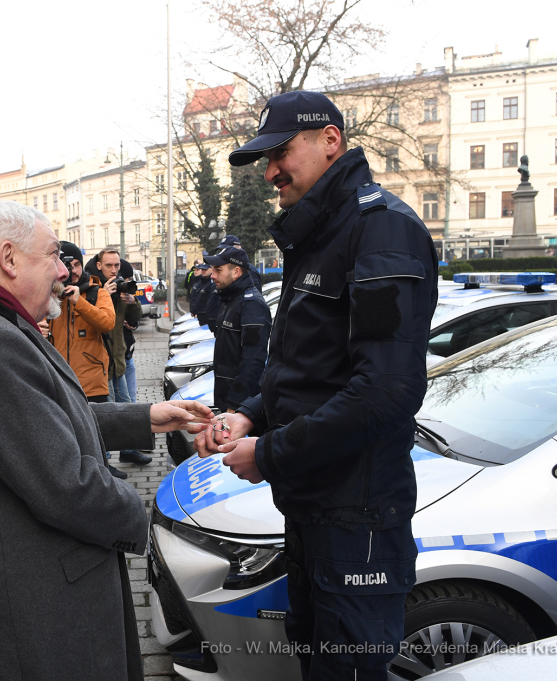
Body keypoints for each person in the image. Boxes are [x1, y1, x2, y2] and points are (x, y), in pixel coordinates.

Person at [0, 199, 212, 681]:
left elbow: (46, 418)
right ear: (9, 259)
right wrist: (157, 521)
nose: (64, 270)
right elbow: (67, 483)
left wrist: (148, 416)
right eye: (52, 255)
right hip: (41, 619)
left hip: (39, 606)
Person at [196, 90, 439, 681]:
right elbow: (305, 370)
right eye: (266, 158)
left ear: (331, 140)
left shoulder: (379, 229)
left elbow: (385, 393)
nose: (271, 170)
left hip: (356, 519)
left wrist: (271, 453)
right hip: (318, 507)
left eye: (282, 151)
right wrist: (250, 415)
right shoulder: (323, 232)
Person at [98, 250, 151, 466]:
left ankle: (128, 450)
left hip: (118, 359)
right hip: (100, 364)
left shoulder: (120, 288)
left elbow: (135, 319)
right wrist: (102, 294)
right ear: (99, 266)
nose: (114, 270)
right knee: (107, 413)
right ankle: (105, 462)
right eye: (109, 265)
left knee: (127, 408)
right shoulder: (93, 289)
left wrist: (132, 301)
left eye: (116, 265)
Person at [204, 245, 271, 413]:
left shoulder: (251, 304)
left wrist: (234, 405)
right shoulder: (230, 300)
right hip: (226, 398)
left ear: (236, 272)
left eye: (218, 270)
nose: (212, 276)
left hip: (239, 407)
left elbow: (253, 361)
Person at [46, 241, 115, 402]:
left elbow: (107, 324)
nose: (74, 271)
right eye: (68, 266)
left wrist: (80, 303)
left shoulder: (97, 293)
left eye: (77, 265)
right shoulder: (48, 295)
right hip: (58, 385)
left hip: (91, 387)